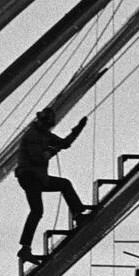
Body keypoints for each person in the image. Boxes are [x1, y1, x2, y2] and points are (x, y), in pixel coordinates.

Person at [16, 109, 89, 263]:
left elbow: (64, 144)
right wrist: (50, 151)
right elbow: (38, 158)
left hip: (37, 177)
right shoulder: (33, 135)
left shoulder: (43, 134)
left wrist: (78, 129)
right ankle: (25, 248)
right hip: (30, 176)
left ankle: (77, 214)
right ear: (43, 121)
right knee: (37, 210)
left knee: (63, 186)